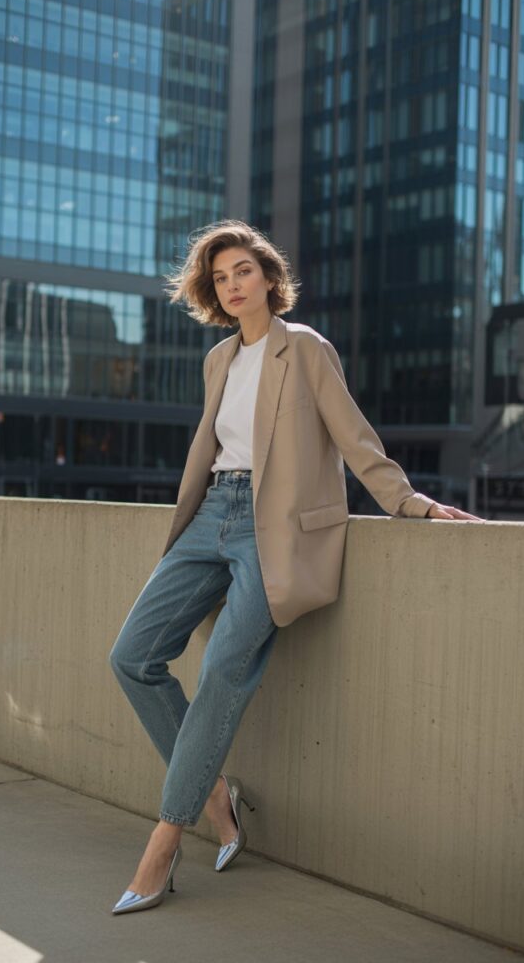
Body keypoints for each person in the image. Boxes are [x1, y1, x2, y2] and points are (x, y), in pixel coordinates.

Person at [108, 220, 482, 915]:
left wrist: (409, 502)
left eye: (242, 270)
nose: (232, 284)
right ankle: (216, 797)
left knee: (223, 668)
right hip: (209, 516)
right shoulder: (219, 359)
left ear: (269, 278)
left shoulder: (305, 348)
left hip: (272, 533)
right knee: (131, 656)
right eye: (220, 278)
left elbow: (352, 434)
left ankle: (164, 842)